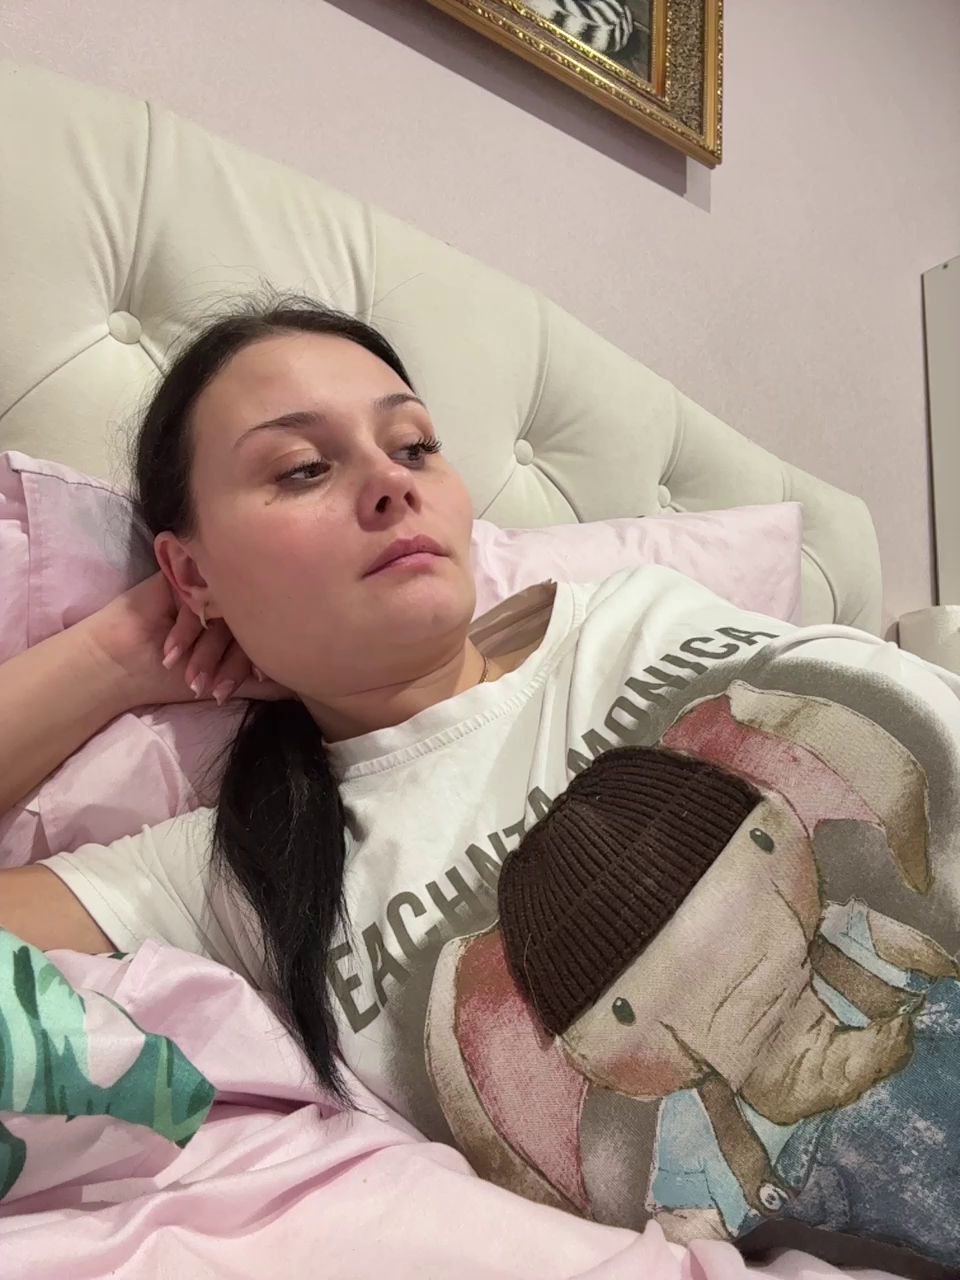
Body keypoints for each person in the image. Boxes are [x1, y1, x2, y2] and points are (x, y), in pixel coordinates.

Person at [2, 295, 960, 1264]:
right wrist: (115, 654)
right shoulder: (235, 874)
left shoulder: (639, 609)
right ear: (191, 573)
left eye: (414, 445)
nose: (390, 481)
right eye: (302, 467)